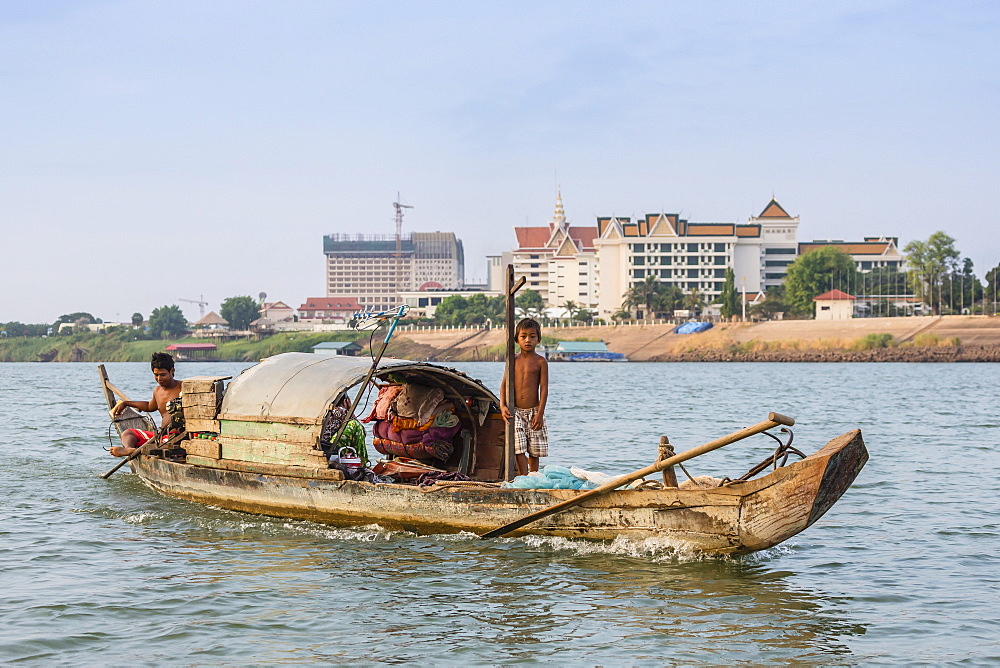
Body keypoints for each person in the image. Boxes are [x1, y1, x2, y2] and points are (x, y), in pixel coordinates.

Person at [500, 318, 549, 475]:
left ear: (538, 339)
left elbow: (544, 389)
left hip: (534, 411)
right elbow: (504, 384)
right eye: (523, 336)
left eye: (532, 336)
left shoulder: (541, 362)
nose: (528, 340)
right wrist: (502, 406)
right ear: (517, 339)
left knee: (534, 450)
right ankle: (523, 476)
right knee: (518, 448)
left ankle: (533, 476)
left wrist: (540, 414)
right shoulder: (512, 360)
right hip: (516, 412)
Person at [110, 352, 183, 457]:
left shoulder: (183, 388)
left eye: (163, 375)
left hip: (176, 437)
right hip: (160, 435)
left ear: (172, 371)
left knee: (166, 442)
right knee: (127, 433)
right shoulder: (157, 390)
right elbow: (149, 406)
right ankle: (129, 449)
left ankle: (137, 450)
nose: (159, 379)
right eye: (156, 375)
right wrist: (126, 403)